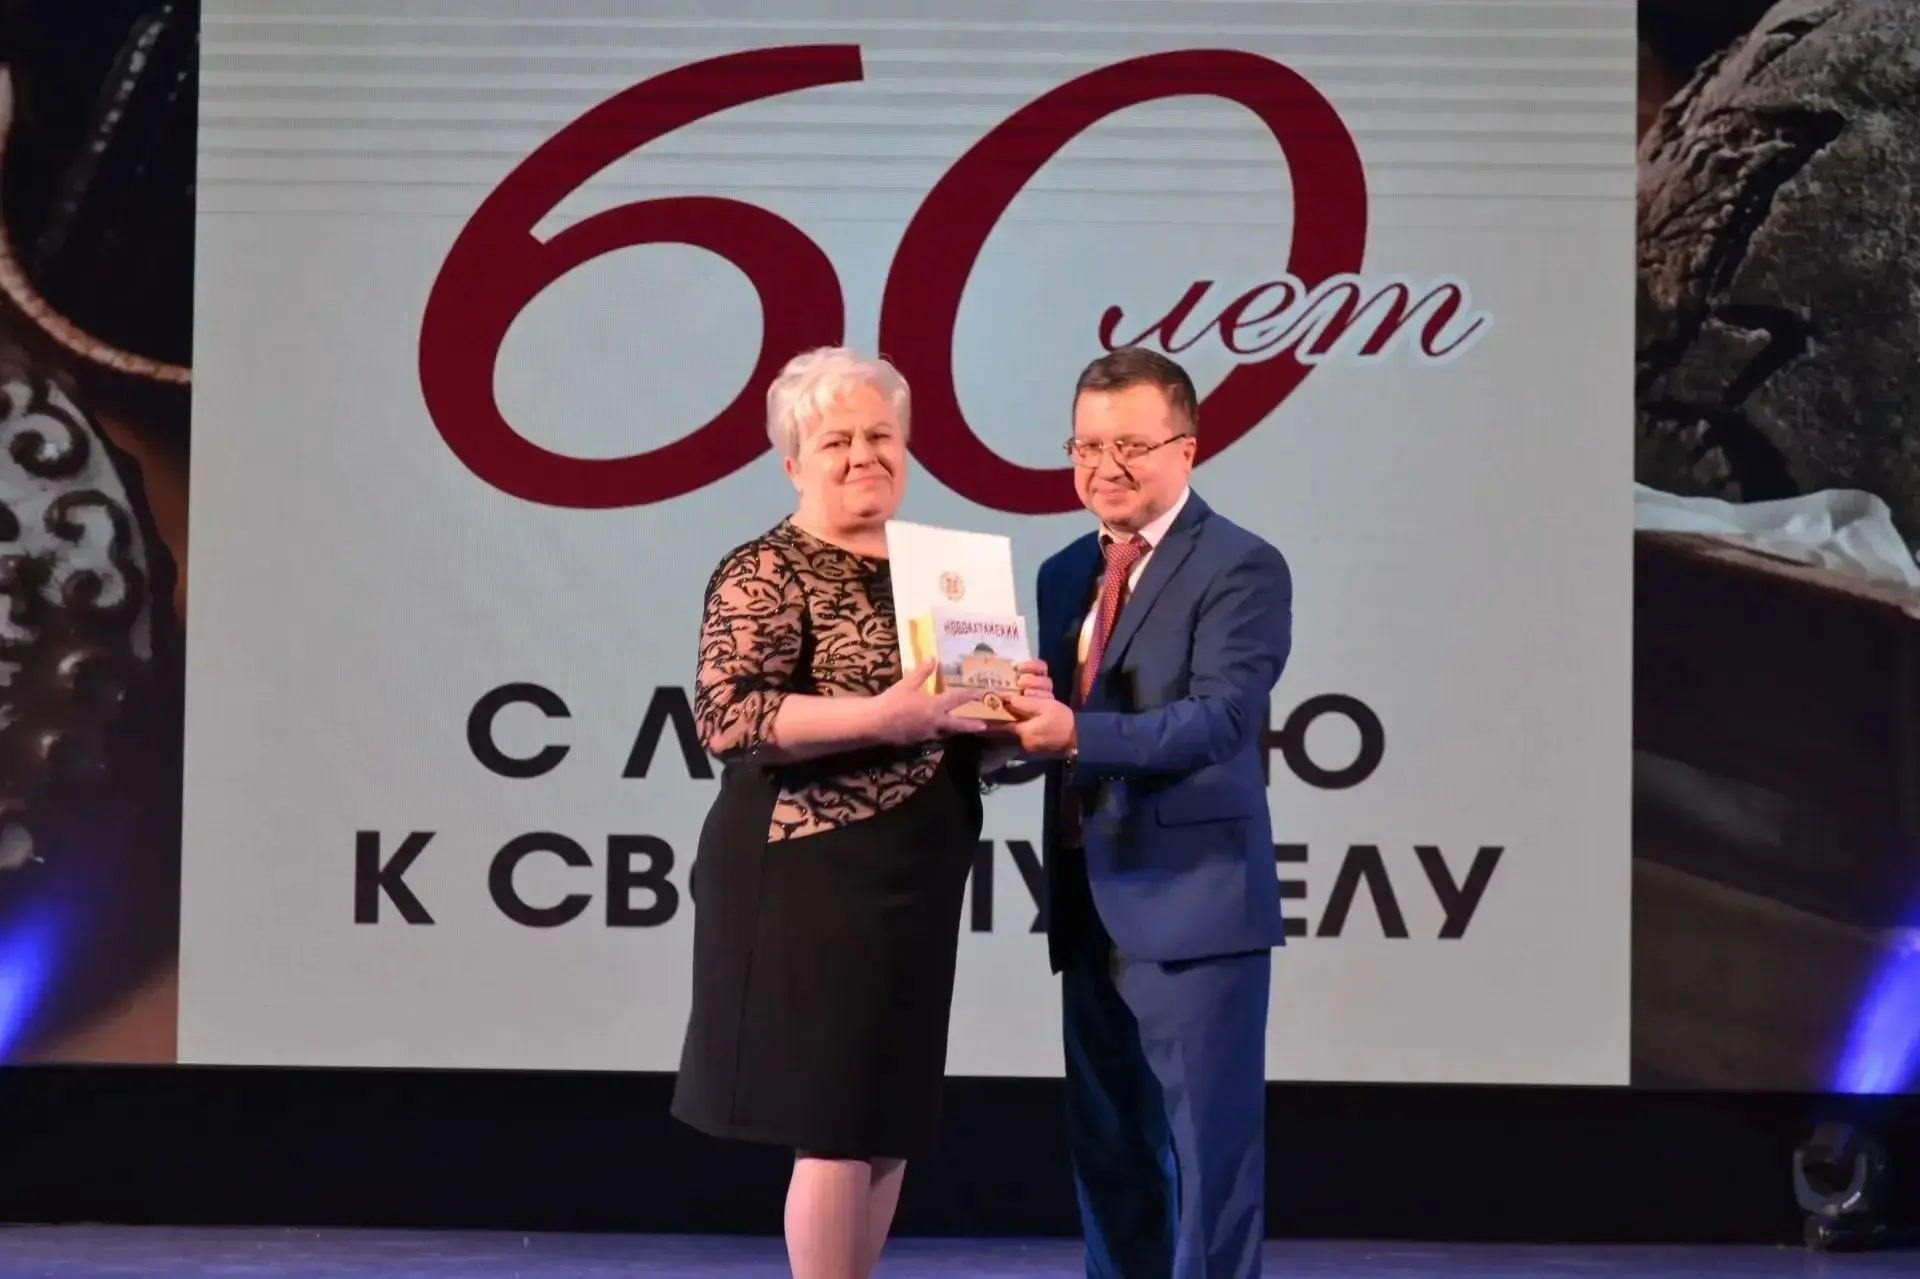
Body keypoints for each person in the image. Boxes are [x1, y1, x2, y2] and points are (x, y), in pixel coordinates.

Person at [671, 345, 1051, 1279]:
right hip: (808, 870)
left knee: (886, 1119)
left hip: (917, 872)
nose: (863, 455)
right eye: (835, 439)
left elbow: (960, 739)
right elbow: (728, 717)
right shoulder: (766, 567)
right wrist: (885, 716)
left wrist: (1018, 728)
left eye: (880, 435)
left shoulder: (944, 569)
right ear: (791, 461)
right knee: (836, 1119)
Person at [1005, 346, 1294, 1279]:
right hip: (1087, 902)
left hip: (1195, 903)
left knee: (1211, 1163)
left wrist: (1074, 734)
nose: (1106, 467)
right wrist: (992, 734)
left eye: (1130, 445)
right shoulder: (1063, 571)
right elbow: (1054, 724)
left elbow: (1221, 719)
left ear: (1187, 447)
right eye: (1087, 446)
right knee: (1110, 1150)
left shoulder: (1242, 564)